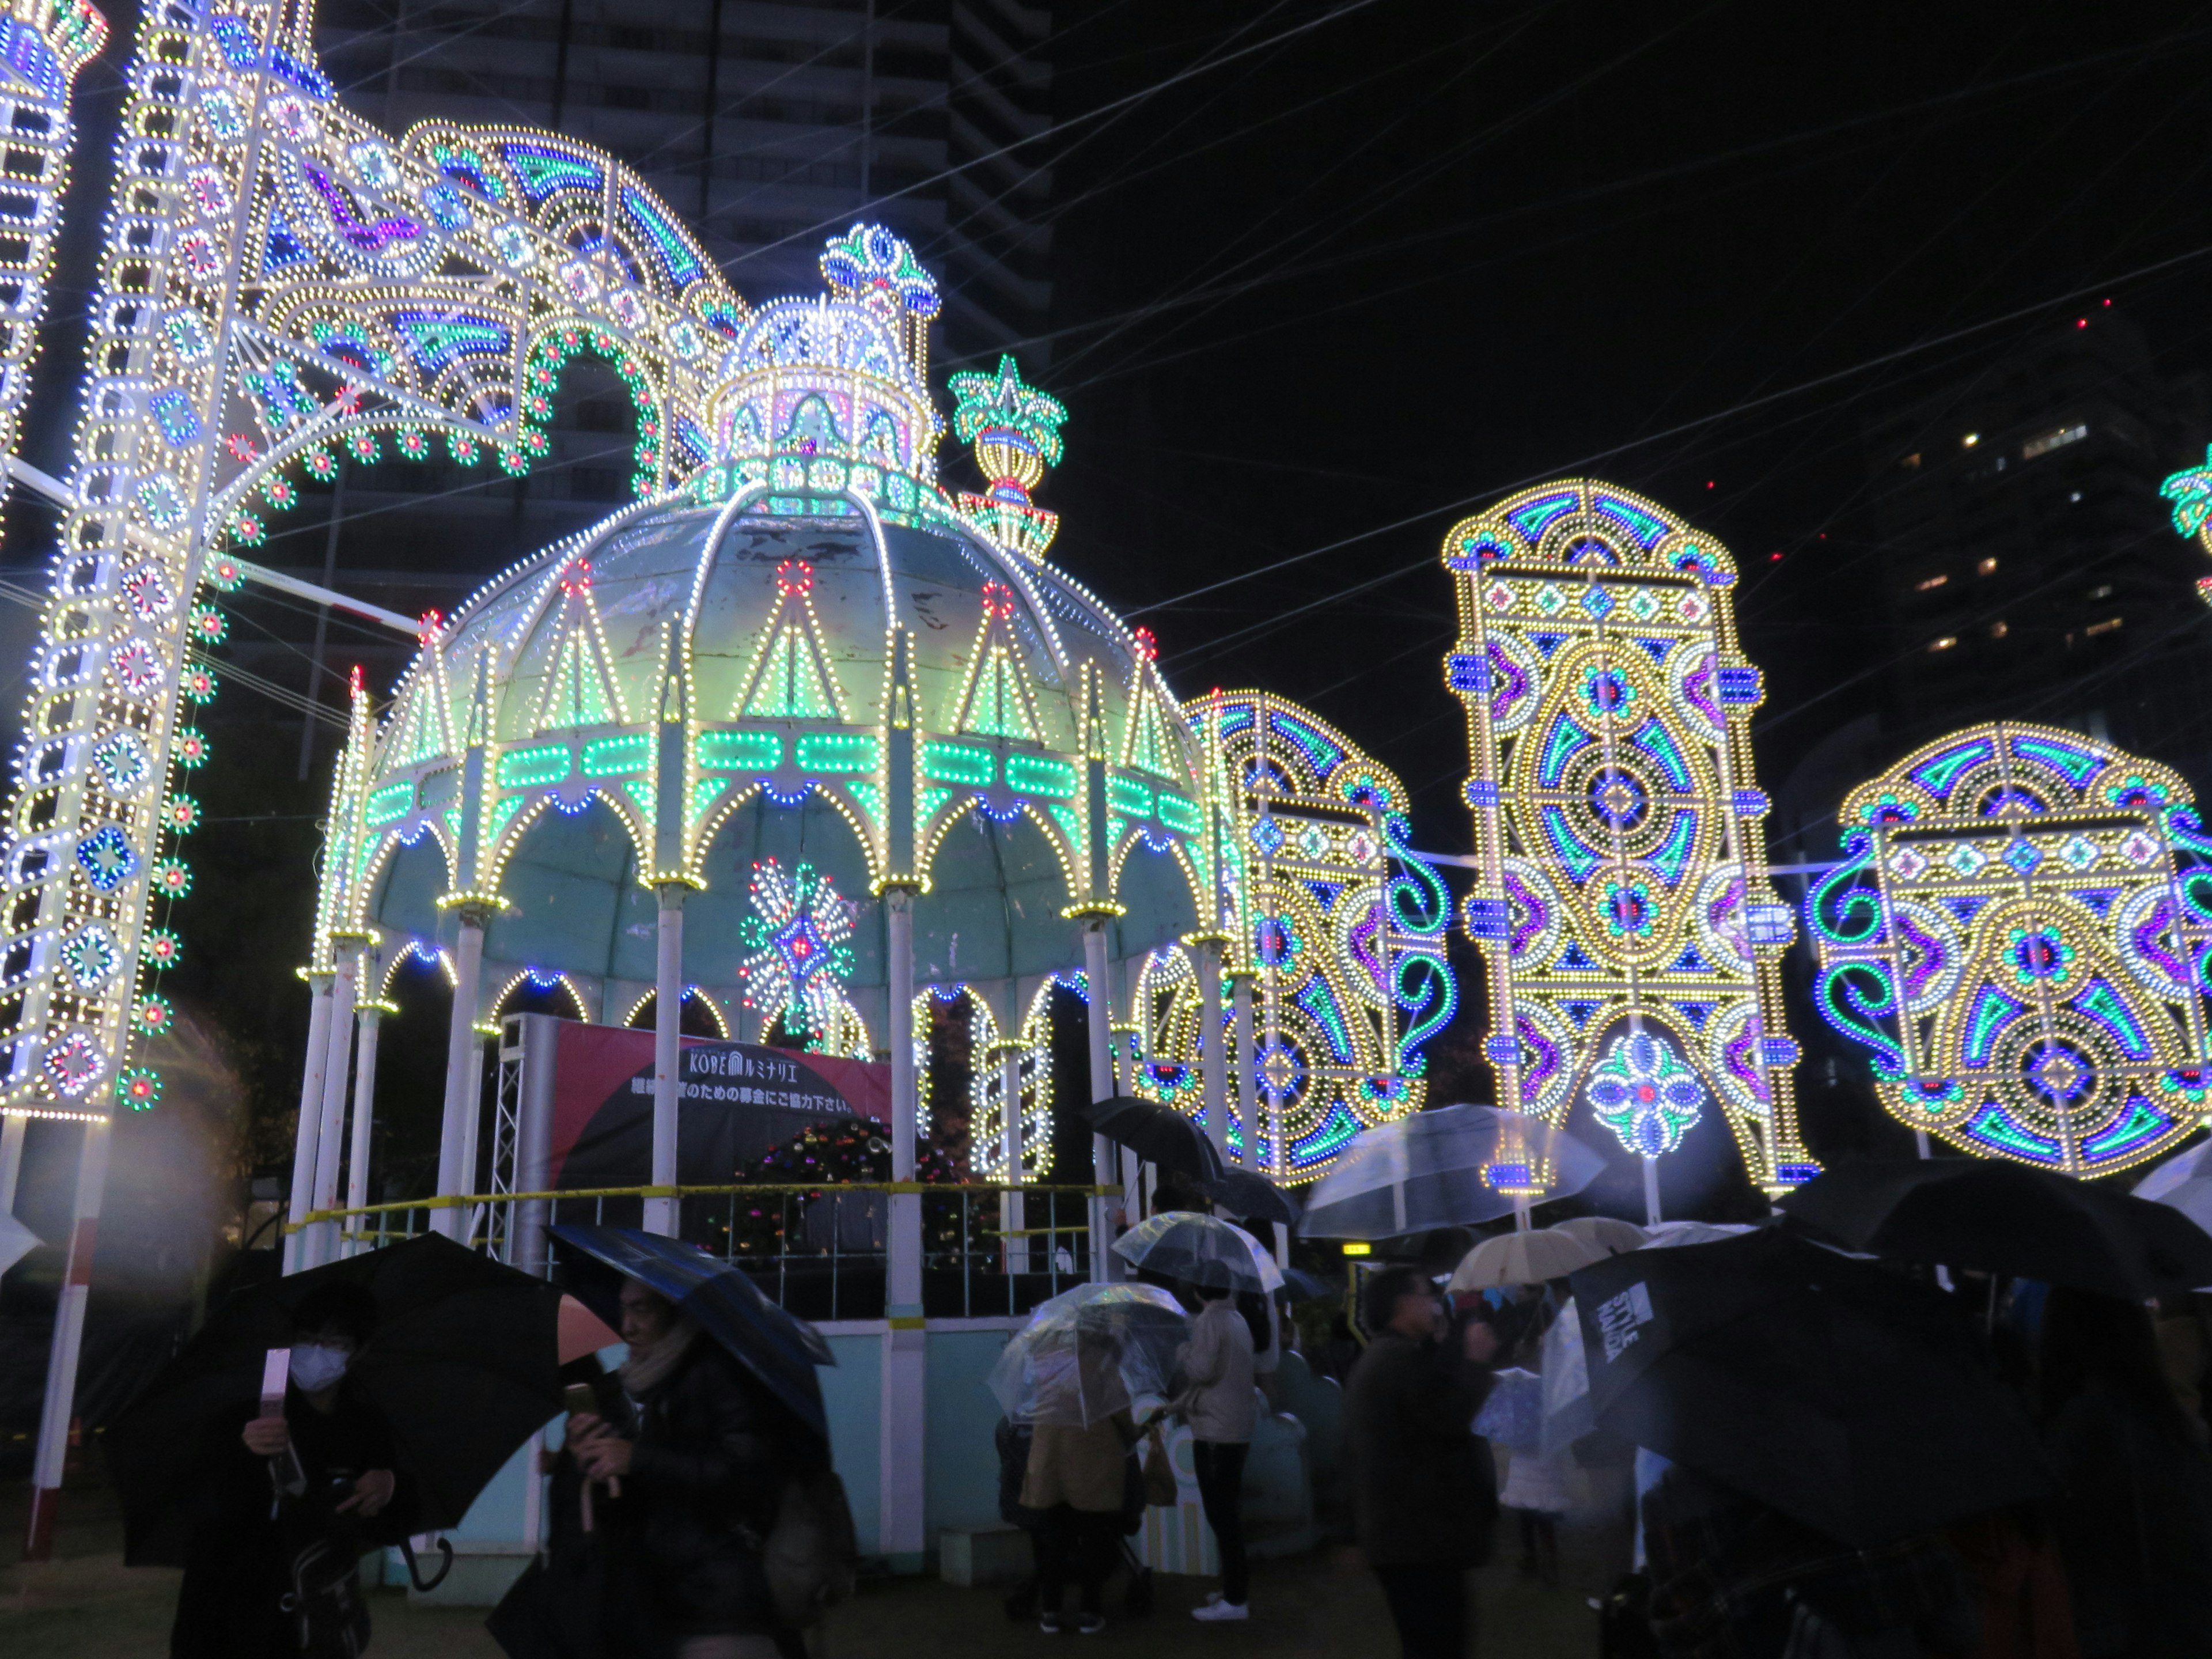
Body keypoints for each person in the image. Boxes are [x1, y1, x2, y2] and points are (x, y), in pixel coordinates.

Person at [567, 1277, 810, 1659]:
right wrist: (602, 1465)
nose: (626, 1325)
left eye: (641, 1308)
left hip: (724, 1603)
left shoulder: (718, 1373)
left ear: (675, 1312)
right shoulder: (665, 1384)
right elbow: (659, 1498)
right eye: (624, 1308)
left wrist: (636, 1459)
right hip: (678, 1599)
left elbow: (748, 1476)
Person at [172, 1283, 408, 1659]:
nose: (316, 1352)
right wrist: (243, 1448)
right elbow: (203, 1504)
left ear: (360, 1351)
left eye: (335, 1343)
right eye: (307, 1338)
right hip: (231, 1615)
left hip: (317, 1620)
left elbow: (387, 1525)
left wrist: (388, 1486)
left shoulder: (365, 1425)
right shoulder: (252, 1411)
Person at [2039, 1285, 2212, 1658]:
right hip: (2184, 1618)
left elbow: (2054, 1524)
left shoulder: (2090, 1422)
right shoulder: (2169, 1419)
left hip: (2122, 1626)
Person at [1344, 1266, 1498, 1659]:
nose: (1434, 1304)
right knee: (1438, 1643)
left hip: (1406, 1535)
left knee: (1429, 1643)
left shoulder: (1389, 1356)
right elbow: (1448, 1416)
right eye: (1426, 1296)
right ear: (1402, 1305)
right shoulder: (1396, 1361)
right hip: (1417, 1537)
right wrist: (1477, 1362)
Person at [1020, 1325, 1138, 1635]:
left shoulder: (1045, 1357)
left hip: (1048, 1460)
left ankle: (1050, 1612)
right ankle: (1089, 1611)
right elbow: (1120, 1409)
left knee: (1053, 1541)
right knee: (1093, 1539)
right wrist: (1133, 1433)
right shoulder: (1101, 1360)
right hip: (1091, 1462)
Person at [1174, 1278, 1257, 1623]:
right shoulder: (1237, 1320)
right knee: (1228, 1513)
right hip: (1236, 1426)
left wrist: (1182, 1351)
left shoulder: (1208, 1321)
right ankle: (1233, 1590)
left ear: (1197, 1291)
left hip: (1215, 1431)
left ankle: (1236, 1601)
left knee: (1222, 1516)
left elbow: (1200, 1370)